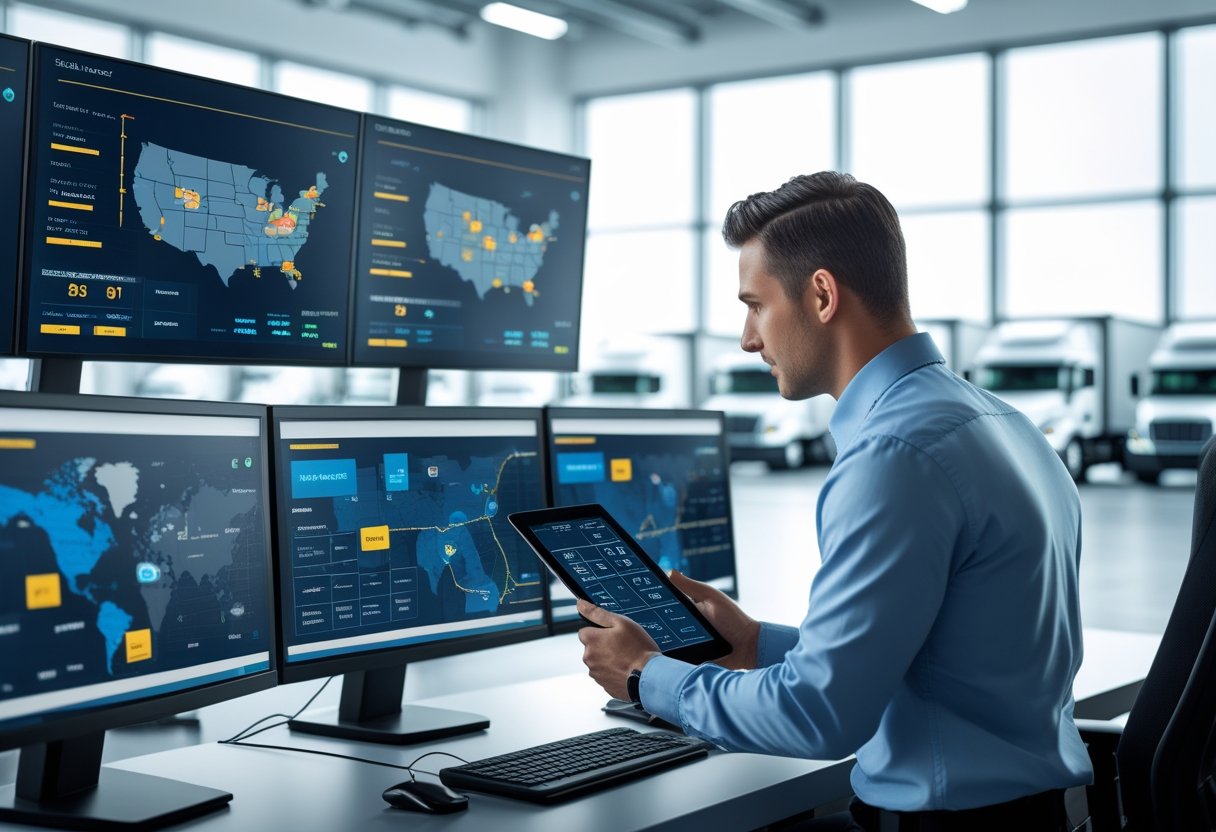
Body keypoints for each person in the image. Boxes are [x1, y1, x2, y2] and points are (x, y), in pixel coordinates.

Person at [576, 171, 1093, 831]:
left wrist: (644, 675)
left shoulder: (894, 457)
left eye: (755, 304)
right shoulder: (1002, 424)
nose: (747, 338)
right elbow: (936, 659)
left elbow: (819, 716)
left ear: (821, 295)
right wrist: (757, 643)